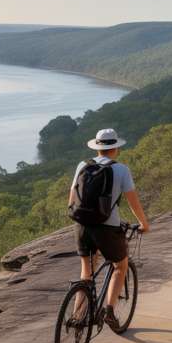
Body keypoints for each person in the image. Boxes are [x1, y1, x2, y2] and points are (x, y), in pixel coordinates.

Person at [68, 128, 150, 331]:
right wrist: (143, 223)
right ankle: (109, 311)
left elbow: (71, 200)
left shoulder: (83, 165)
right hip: (107, 228)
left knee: (86, 271)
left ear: (97, 148)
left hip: (82, 225)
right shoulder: (121, 169)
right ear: (115, 149)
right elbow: (133, 202)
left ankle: (78, 316)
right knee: (120, 266)